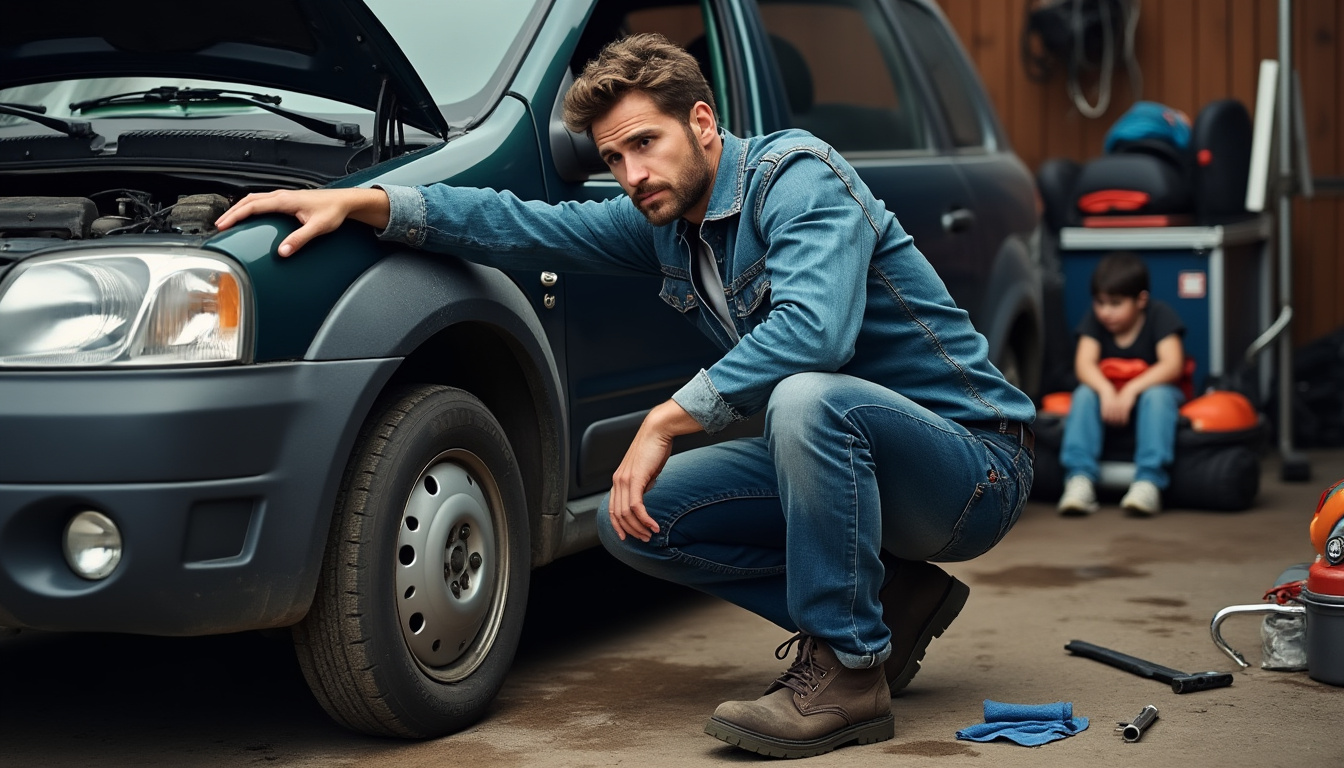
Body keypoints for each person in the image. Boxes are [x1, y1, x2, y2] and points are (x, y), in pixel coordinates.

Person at [215, 33, 1035, 759]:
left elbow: (814, 333)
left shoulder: (799, 180)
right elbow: (521, 225)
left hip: (972, 469)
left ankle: (851, 676)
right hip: (860, 475)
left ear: (704, 125)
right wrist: (365, 202)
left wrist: (667, 418)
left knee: (806, 399)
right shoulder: (668, 226)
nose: (632, 174)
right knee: (636, 518)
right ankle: (889, 602)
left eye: (646, 143)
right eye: (613, 158)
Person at [1056, 251, 1186, 517]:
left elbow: (1172, 365)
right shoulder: (1095, 322)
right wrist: (1105, 389)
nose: (1105, 312)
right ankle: (1079, 480)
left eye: (1115, 303)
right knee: (1083, 394)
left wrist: (1131, 389)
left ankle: (1148, 483)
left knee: (1159, 395)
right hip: (1109, 404)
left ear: (1141, 300)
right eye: (1100, 303)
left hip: (1147, 402)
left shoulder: (1160, 315)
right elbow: (1084, 365)